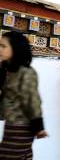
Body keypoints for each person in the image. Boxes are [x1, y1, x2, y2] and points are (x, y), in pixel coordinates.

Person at [0, 31, 48, 159]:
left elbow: (32, 100)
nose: (0, 49)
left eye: (4, 46)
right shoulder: (7, 70)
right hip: (11, 125)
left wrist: (38, 127)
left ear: (15, 48)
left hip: (21, 127)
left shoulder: (26, 73)